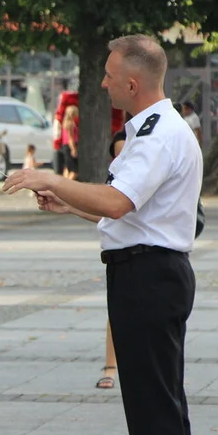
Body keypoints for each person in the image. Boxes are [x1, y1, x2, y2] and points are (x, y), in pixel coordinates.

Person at [4, 34, 201, 435]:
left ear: (132, 83)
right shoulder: (151, 129)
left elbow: (118, 200)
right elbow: (131, 212)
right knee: (158, 405)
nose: (103, 82)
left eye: (110, 75)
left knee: (153, 407)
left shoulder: (158, 134)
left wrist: (52, 177)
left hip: (149, 278)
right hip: (147, 272)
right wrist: (69, 207)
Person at [97, 130, 127, 391]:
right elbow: (106, 215)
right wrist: (66, 203)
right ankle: (111, 365)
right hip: (119, 257)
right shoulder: (115, 178)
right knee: (116, 312)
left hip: (151, 259)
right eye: (116, 156)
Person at [61, 105, 80, 180]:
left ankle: (63, 185)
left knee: (67, 167)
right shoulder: (71, 123)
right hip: (70, 146)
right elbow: (71, 138)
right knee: (74, 170)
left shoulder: (65, 122)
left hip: (65, 145)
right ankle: (66, 186)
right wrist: (73, 149)